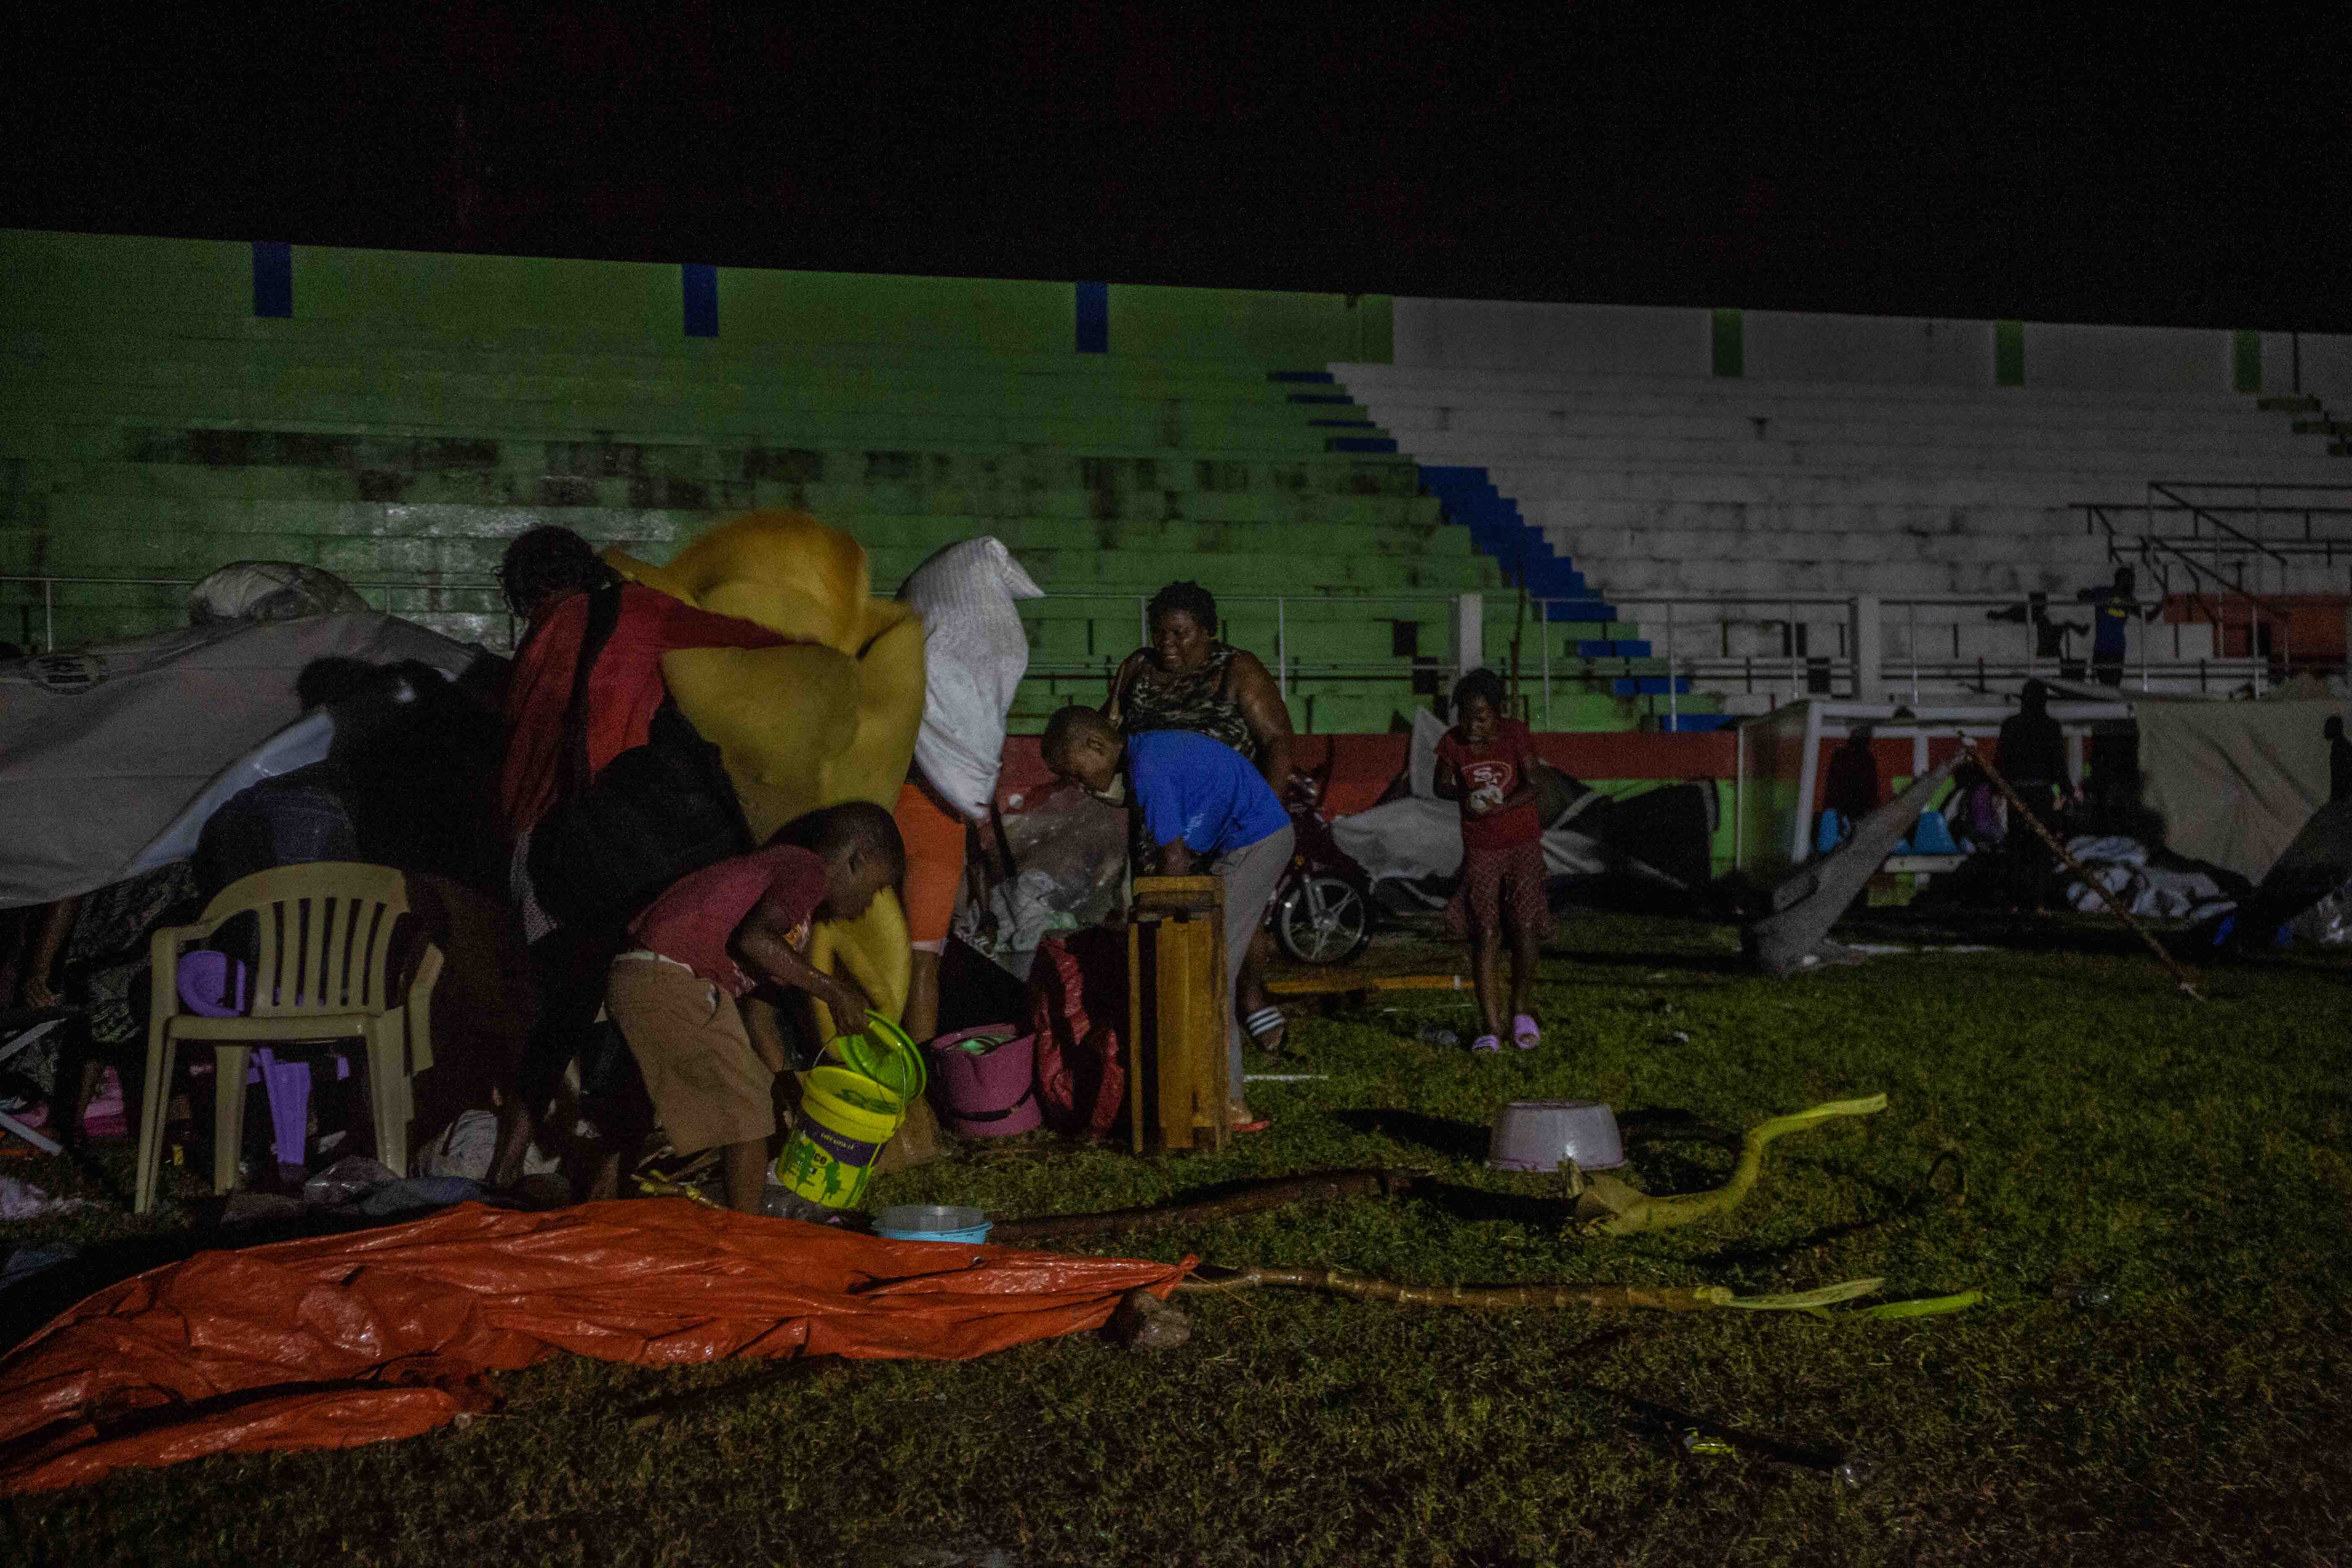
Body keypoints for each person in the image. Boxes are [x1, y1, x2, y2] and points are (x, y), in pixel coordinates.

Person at [491, 524, 787, 1189]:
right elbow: (752, 639)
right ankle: (615, 1177)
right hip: (616, 845)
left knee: (560, 1018)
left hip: (536, 853)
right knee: (637, 1000)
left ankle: (504, 1172)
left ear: (523, 594)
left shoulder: (535, 643)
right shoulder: (634, 611)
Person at [606, 802, 902, 1214]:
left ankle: (591, 1219)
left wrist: (787, 1085)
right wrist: (835, 992)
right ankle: (749, 1241)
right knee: (749, 1117)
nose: (868, 906)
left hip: (647, 977)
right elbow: (755, 941)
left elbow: (759, 1014)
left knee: (630, 1120)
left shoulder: (796, 914)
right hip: (671, 976)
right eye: (874, 889)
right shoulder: (806, 871)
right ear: (858, 858)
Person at [1042, 706, 1291, 1131]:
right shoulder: (1148, 755)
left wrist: (1143, 917)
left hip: (1255, 843)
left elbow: (1172, 861)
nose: (1080, 787)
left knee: (1209, 973)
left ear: (1097, 745)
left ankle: (1228, 1103)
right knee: (1206, 968)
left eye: (1078, 775)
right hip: (1247, 842)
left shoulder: (1148, 767)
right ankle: (1212, 1093)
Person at [1104, 580, 1297, 1052]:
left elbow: (1277, 741)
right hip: (1161, 822)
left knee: (1233, 919)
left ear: (1208, 632)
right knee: (1168, 926)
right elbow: (1106, 731)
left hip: (1226, 817)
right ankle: (1176, 1026)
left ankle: (1248, 998)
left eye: (1181, 634)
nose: (1168, 645)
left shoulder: (1236, 669)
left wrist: (1262, 811)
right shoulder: (1137, 669)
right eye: (1160, 634)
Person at [1432, 669, 1550, 1054]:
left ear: (1498, 713)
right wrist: (1466, 795)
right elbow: (1441, 785)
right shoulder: (1452, 744)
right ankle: (1491, 1026)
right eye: (1465, 717)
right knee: (1485, 932)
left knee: (1527, 925)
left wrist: (1501, 805)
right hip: (1481, 849)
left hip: (1523, 844)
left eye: (1481, 717)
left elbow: (1535, 784)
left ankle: (1521, 1014)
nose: (1472, 725)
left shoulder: (1517, 735)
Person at [1995, 680, 2071, 910]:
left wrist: (2001, 790)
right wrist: (2067, 791)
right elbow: (2058, 763)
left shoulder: (2011, 726)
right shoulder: (2051, 727)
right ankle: (2039, 902)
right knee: (2041, 849)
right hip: (2041, 794)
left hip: (2017, 793)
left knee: (2018, 847)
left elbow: (2002, 762)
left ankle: (2016, 902)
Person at [2078, 566, 2150, 688]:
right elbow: (2082, 597)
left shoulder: (2129, 599)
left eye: (2132, 581)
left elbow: (2147, 617)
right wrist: (2086, 593)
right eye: (2130, 580)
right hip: (2102, 647)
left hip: (2118, 649)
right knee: (2104, 685)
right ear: (2122, 579)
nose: (2132, 584)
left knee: (2114, 686)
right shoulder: (2103, 592)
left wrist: (2161, 606)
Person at [1986, 591, 2083, 681]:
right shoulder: (2037, 615)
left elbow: (2011, 614)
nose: (2045, 605)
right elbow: (2012, 614)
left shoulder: (2040, 616)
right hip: (2047, 654)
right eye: (2043, 603)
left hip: (2048, 654)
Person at [2328, 715, 2352, 805]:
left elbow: (2339, 776)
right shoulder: (2341, 746)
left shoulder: (2340, 748)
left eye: (2328, 727)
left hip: (2343, 798)